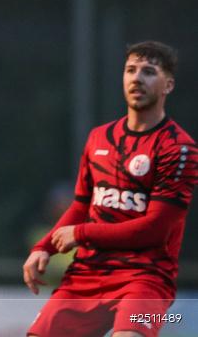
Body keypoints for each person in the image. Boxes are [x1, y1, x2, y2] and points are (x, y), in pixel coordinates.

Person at [23, 41, 197, 337]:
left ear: (168, 85)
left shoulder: (179, 149)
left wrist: (81, 233)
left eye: (148, 72)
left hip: (145, 279)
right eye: (130, 70)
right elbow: (81, 206)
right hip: (87, 275)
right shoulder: (99, 138)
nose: (137, 78)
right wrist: (44, 247)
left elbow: (155, 229)